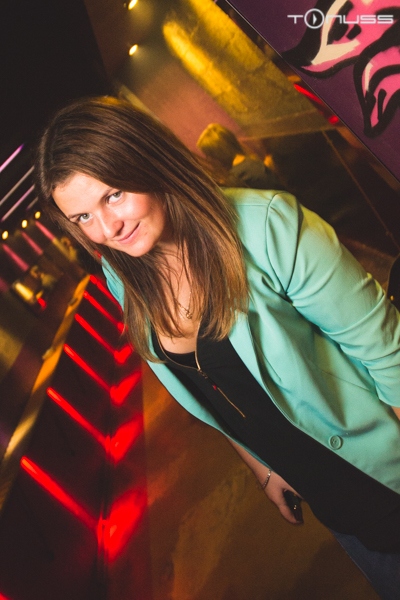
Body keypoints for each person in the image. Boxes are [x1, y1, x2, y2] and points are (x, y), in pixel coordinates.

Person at [34, 96, 400, 599]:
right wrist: (260, 465)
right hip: (329, 499)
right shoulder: (121, 275)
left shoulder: (266, 225)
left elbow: (385, 347)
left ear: (148, 159)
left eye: (113, 195)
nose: (106, 229)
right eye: (82, 218)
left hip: (382, 469)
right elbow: (212, 388)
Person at [196, 122, 282, 189]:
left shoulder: (237, 177)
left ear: (217, 154)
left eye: (209, 155)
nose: (209, 159)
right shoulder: (252, 161)